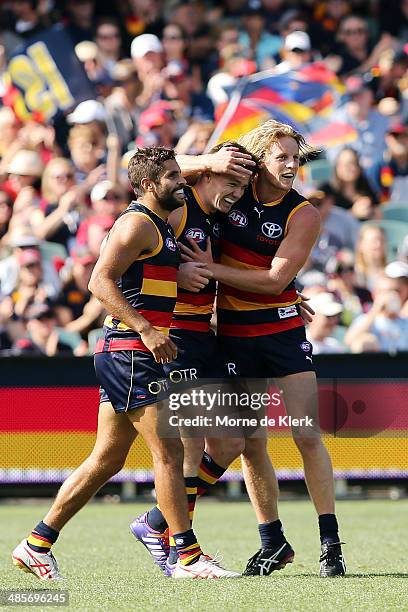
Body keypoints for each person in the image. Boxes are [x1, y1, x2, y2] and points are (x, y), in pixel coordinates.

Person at [11, 147, 238, 581]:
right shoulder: (136, 222)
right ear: (149, 184)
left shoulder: (161, 222)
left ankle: (37, 543)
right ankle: (187, 558)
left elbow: (145, 275)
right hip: (132, 351)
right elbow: (100, 280)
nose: (181, 181)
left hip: (127, 353)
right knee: (169, 453)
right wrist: (147, 329)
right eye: (172, 176)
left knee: (107, 460)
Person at [177, 120, 346, 577]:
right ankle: (273, 542)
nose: (292, 165)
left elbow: (274, 280)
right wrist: (210, 160)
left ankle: (330, 542)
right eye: (282, 157)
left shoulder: (303, 213)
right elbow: (159, 170)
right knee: (250, 443)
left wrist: (211, 271)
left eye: (296, 157)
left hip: (282, 333)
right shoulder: (231, 187)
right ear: (259, 160)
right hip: (234, 336)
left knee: (307, 435)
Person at [130, 141, 259, 574]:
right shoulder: (179, 202)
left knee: (230, 442)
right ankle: (183, 552)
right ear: (205, 173)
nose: (236, 192)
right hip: (173, 334)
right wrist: (175, 273)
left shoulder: (217, 219)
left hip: (203, 335)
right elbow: (140, 189)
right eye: (230, 180)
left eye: (243, 186)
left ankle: (155, 523)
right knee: (188, 447)